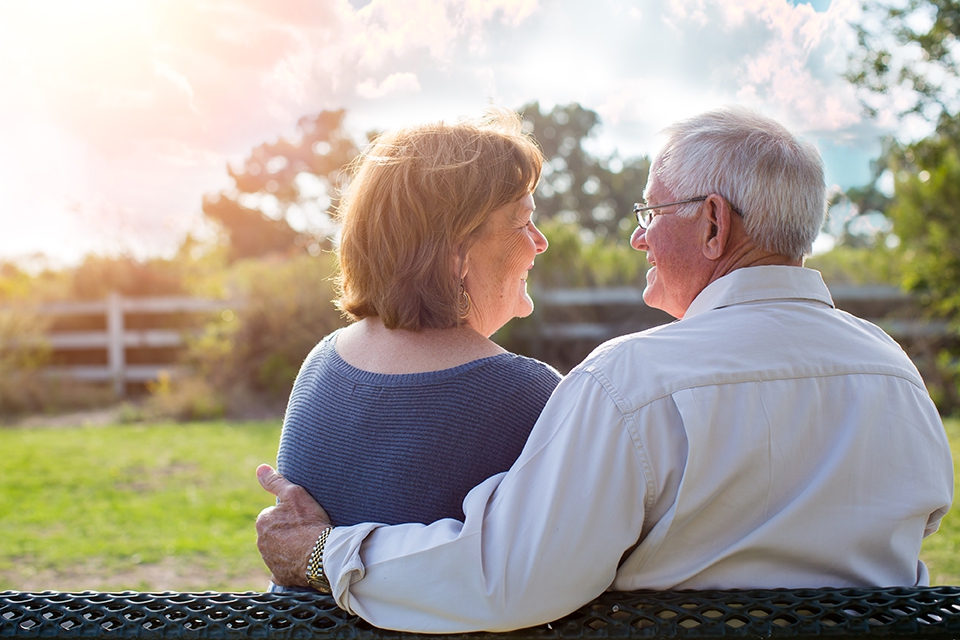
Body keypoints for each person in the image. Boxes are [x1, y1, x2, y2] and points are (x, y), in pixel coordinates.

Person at [255, 106, 954, 631]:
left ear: (714, 225)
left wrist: (323, 554)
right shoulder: (895, 376)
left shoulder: (632, 385)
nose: (636, 234)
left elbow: (506, 577)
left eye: (651, 210)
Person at [263, 109, 562, 591]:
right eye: (523, 222)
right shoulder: (526, 394)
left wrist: (320, 553)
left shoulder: (321, 362)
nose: (540, 242)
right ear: (458, 253)